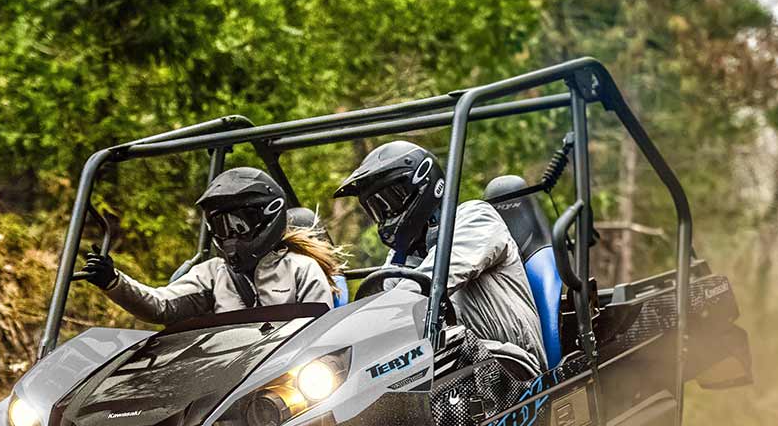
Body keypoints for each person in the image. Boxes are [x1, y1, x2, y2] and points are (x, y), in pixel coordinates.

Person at [334, 141, 547, 373]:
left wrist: (383, 313)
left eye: (390, 199)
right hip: (447, 372)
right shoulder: (400, 260)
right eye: (377, 207)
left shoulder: (475, 217)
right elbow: (381, 308)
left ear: (422, 185)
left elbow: (438, 275)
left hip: (512, 365)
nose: (386, 213)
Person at [81, 167, 341, 323]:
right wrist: (113, 281)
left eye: (238, 224)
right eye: (221, 226)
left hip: (286, 384)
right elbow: (162, 305)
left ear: (267, 218)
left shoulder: (302, 269)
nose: (229, 235)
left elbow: (319, 334)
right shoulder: (213, 273)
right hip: (226, 383)